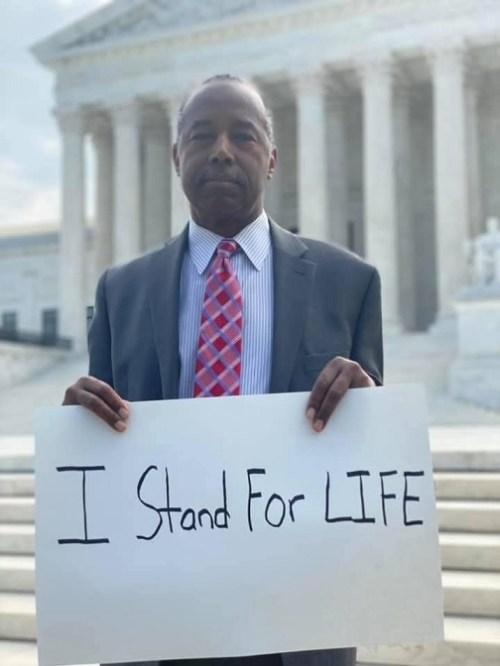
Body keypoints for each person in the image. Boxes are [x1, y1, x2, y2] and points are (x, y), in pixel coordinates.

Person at [63, 74, 383, 666]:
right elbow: (105, 448)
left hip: (299, 615)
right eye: (202, 136)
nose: (222, 151)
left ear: (272, 160)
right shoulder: (120, 292)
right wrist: (77, 429)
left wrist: (372, 411)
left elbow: (370, 464)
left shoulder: (350, 284)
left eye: (244, 135)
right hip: (161, 618)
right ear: (176, 156)